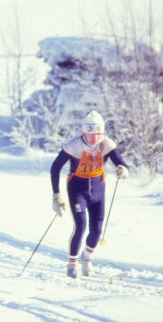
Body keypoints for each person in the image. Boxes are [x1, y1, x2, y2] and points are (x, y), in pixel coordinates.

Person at [50, 111, 129, 278]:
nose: (95, 138)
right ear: (84, 131)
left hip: (98, 190)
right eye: (91, 133)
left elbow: (119, 161)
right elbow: (55, 167)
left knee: (97, 230)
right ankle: (72, 265)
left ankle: (86, 259)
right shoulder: (73, 145)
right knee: (80, 226)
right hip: (77, 190)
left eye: (98, 133)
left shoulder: (106, 144)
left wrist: (122, 169)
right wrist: (56, 195)